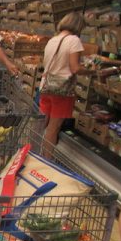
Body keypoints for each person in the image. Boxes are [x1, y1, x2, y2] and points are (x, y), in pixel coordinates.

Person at [38, 12, 86, 157]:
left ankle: (35, 154)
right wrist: (91, 71)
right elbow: (75, 68)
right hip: (62, 90)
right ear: (78, 26)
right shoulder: (74, 40)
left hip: (46, 87)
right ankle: (46, 161)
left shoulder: (53, 40)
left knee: (41, 125)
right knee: (53, 128)